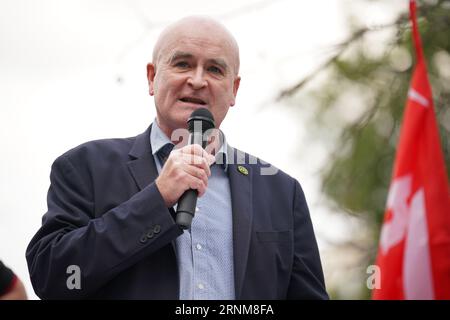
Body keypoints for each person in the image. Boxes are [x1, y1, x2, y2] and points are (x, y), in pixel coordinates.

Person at [26, 16, 328, 299]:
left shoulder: (280, 192)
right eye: (183, 64)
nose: (198, 81)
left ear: (234, 89)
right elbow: (53, 276)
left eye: (215, 69)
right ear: (152, 77)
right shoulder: (86, 167)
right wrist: (156, 199)